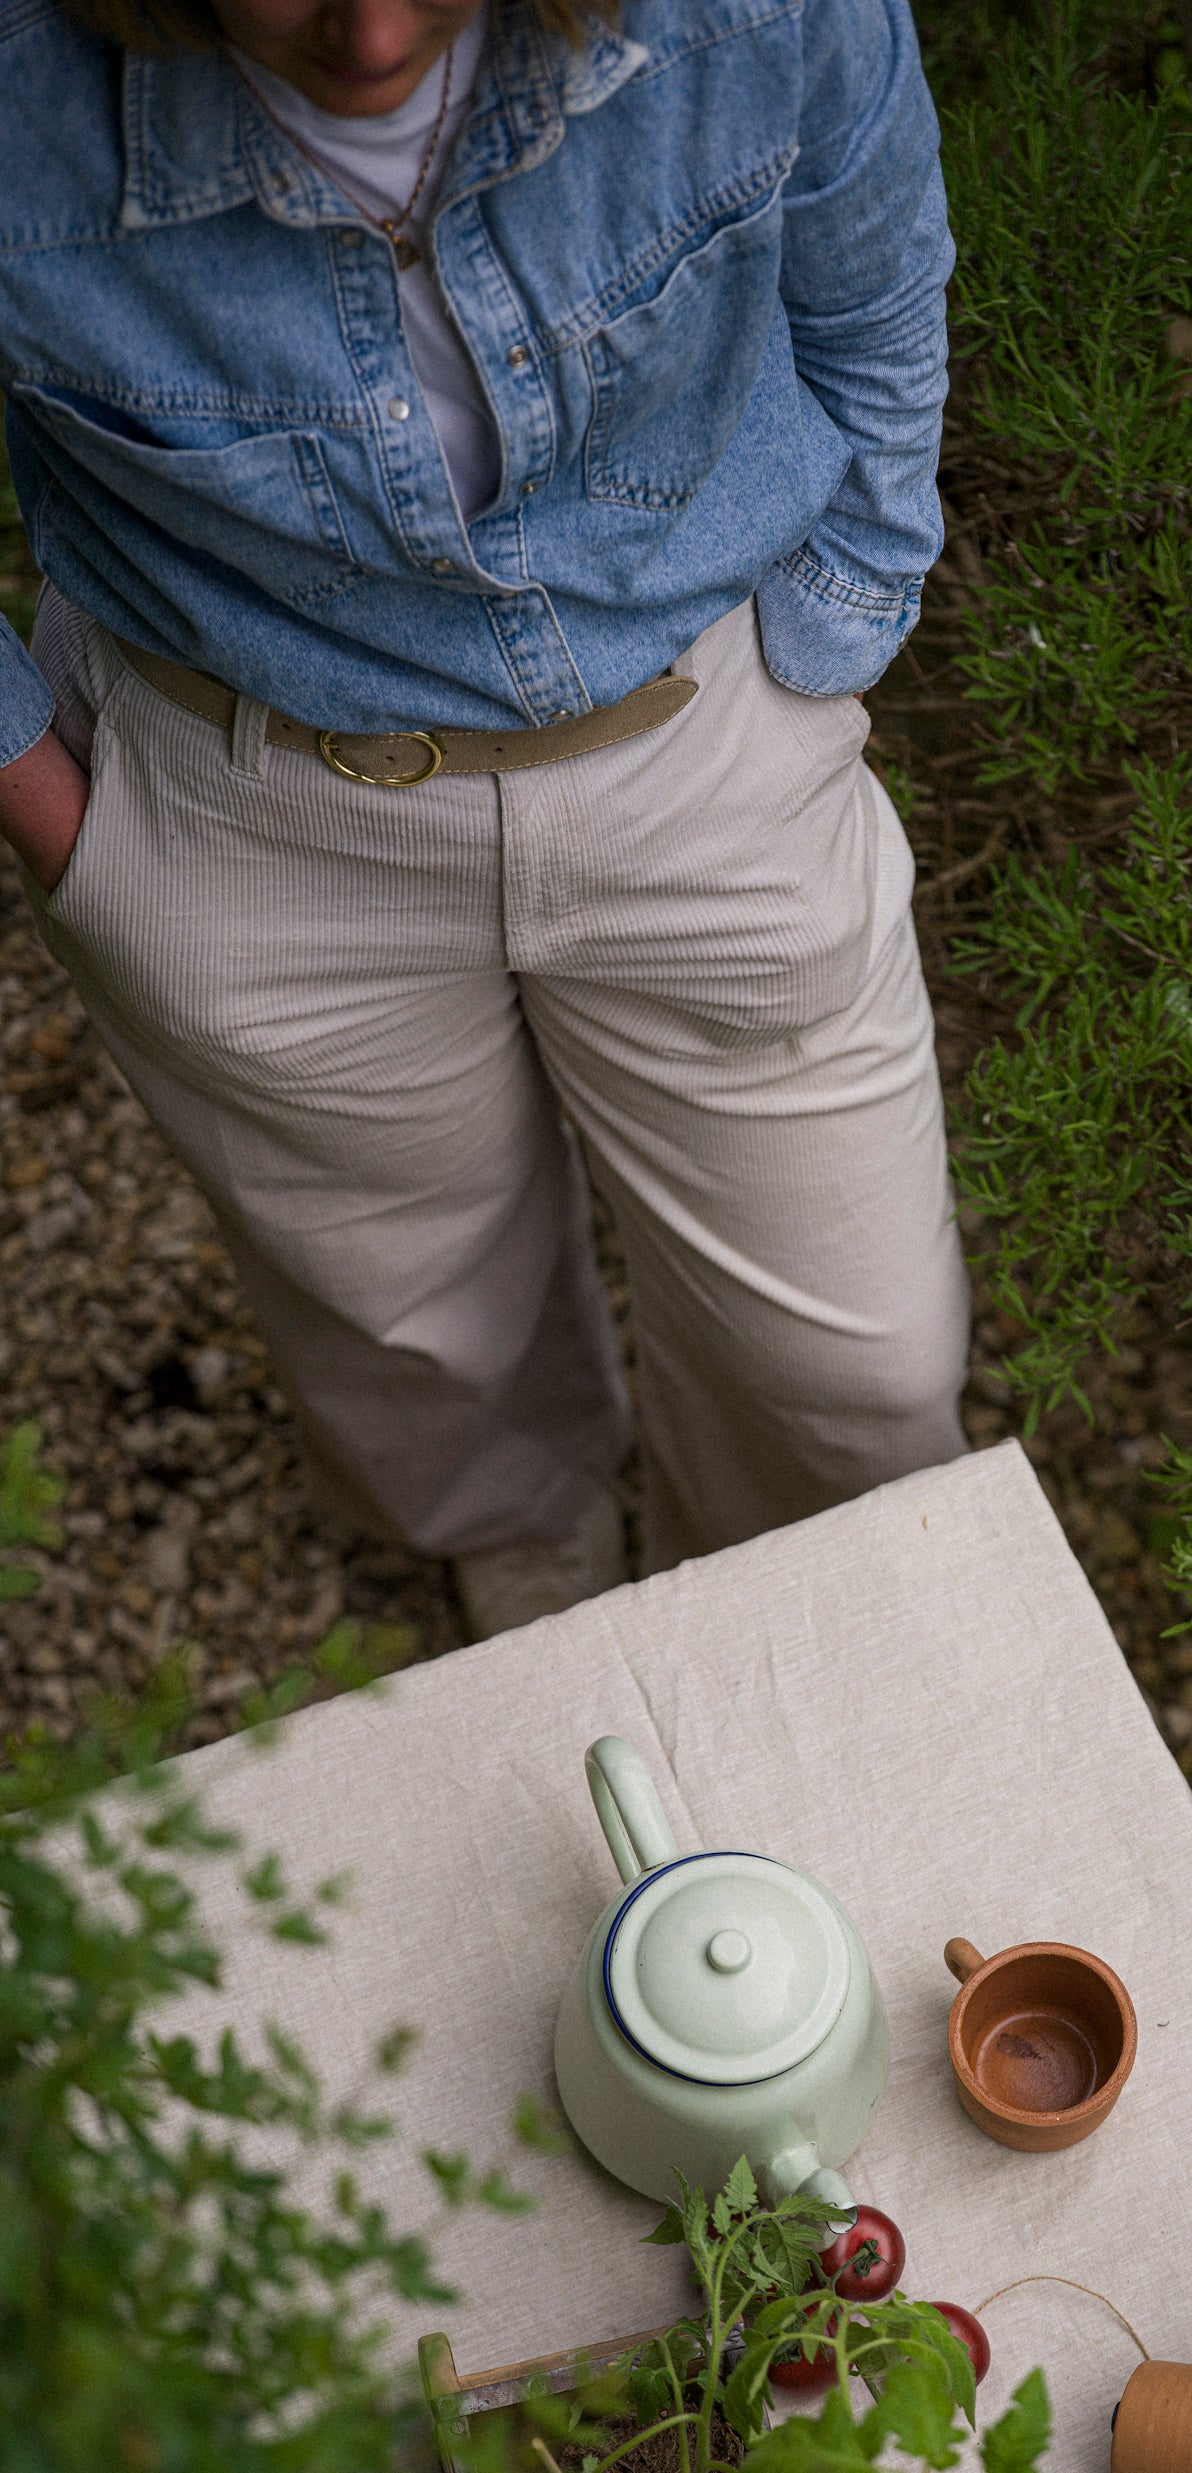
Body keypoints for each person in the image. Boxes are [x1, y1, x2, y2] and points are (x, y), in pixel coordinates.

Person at [0, 0, 970, 1634]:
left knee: (860, 1363)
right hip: (246, 810)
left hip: (705, 756)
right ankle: (525, 1551)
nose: (369, 33)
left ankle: (787, 1617)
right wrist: (45, 793)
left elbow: (872, 287)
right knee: (409, 1319)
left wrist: (830, 633)